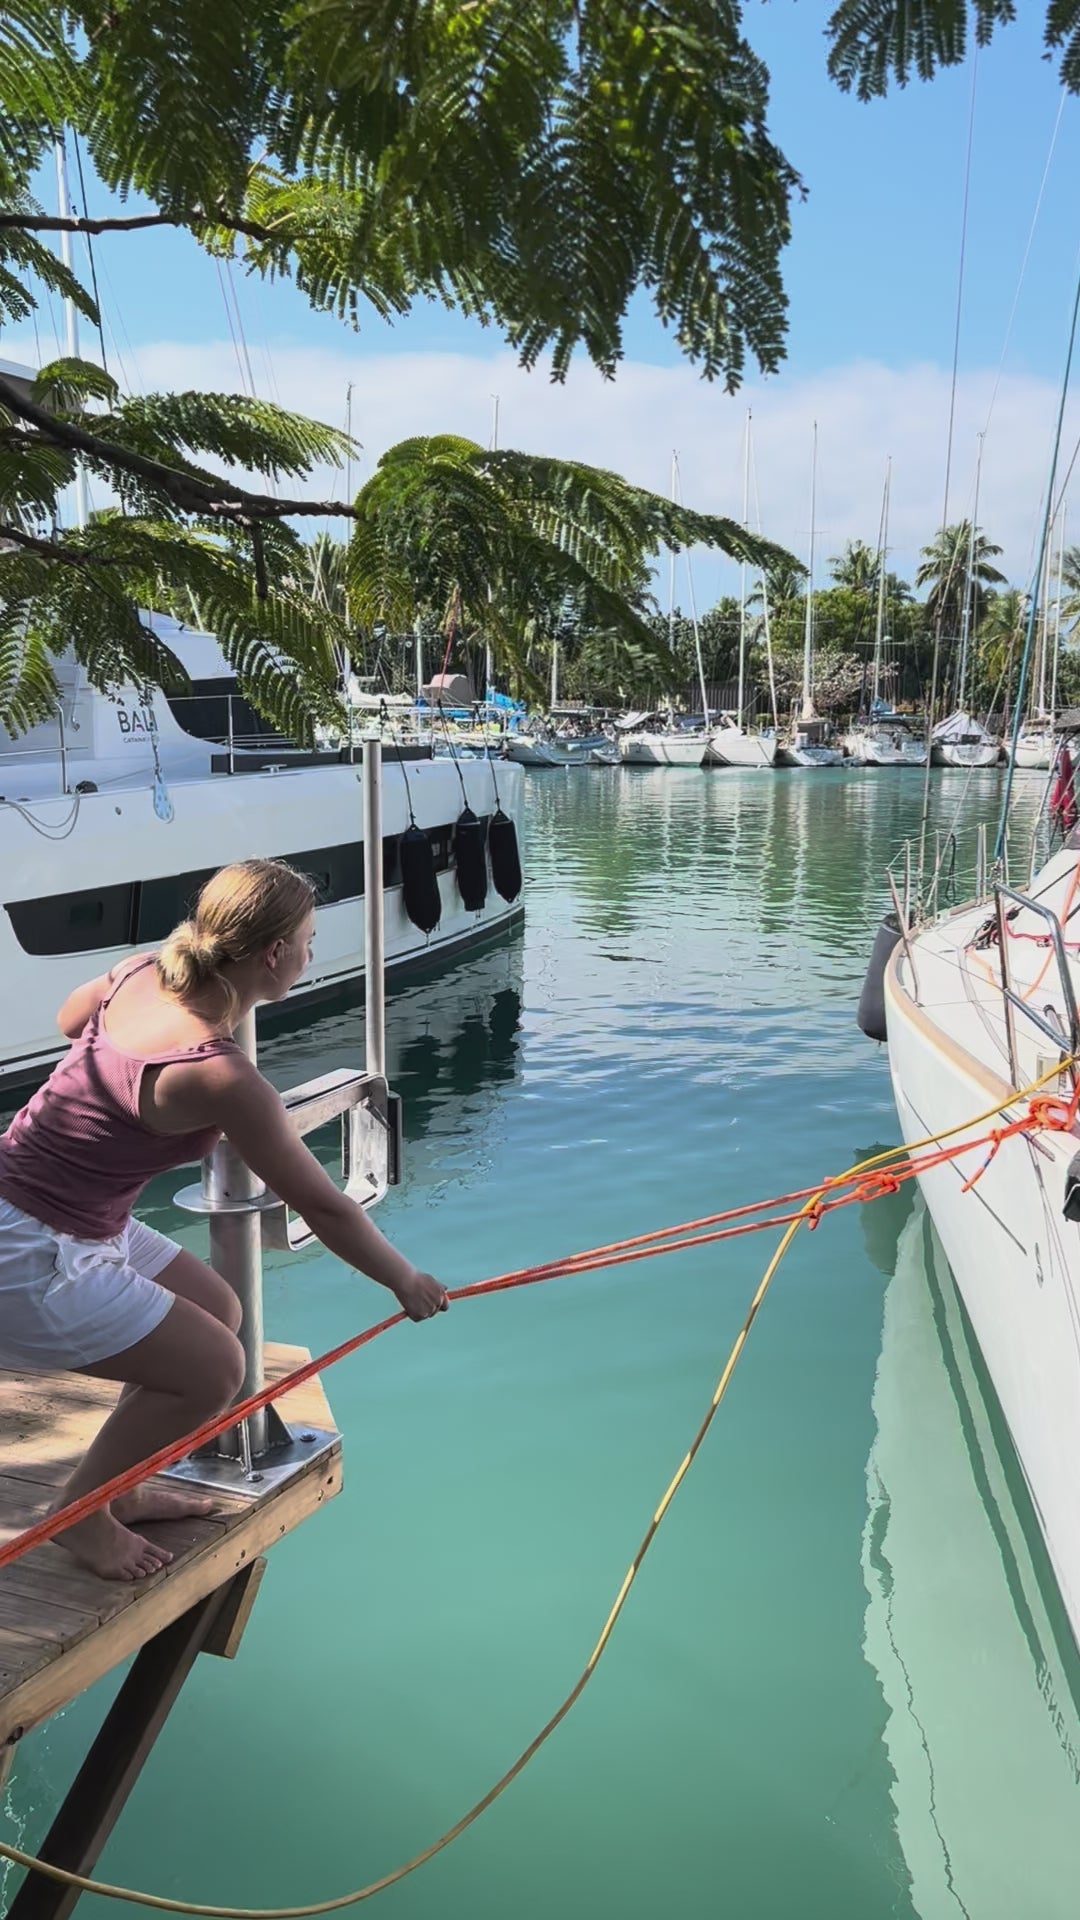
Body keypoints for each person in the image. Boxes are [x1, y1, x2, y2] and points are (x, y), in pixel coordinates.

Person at [0, 858, 448, 1583]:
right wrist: (406, 1281)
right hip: (30, 1248)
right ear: (274, 955)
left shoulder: (139, 971)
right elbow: (324, 1204)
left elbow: (69, 1022)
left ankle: (124, 1486)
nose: (310, 953)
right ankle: (79, 1516)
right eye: (307, 939)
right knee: (214, 1369)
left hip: (55, 1205)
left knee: (217, 1306)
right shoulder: (221, 1075)